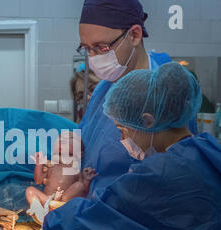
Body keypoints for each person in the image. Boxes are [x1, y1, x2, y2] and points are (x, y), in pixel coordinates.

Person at [41, 62, 221, 230]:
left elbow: (89, 223)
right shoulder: (208, 148)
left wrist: (48, 224)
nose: (121, 139)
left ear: (147, 121)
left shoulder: (158, 175)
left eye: (121, 130)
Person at [77, 0, 198, 196]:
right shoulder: (105, 86)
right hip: (90, 206)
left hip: (127, 215)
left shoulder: (166, 96)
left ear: (134, 34)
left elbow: (177, 179)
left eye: (101, 47)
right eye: (86, 48)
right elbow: (85, 135)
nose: (93, 57)